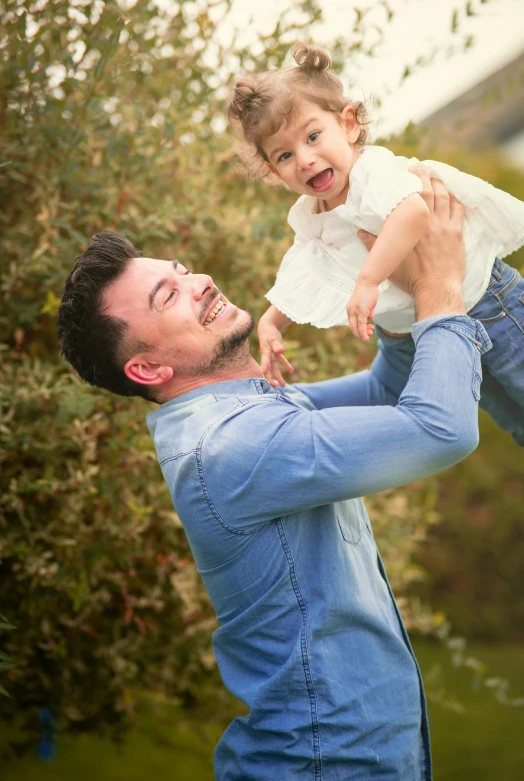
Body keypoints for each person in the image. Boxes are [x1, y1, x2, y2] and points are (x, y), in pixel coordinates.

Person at [57, 173, 489, 780]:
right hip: (327, 763)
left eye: (180, 269)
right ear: (148, 368)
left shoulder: (241, 416)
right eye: (168, 296)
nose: (198, 281)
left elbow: (385, 393)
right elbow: (440, 427)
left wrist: (391, 293)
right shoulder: (233, 446)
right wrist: (438, 286)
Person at [226, 42, 524, 447]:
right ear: (272, 172)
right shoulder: (311, 212)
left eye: (314, 136)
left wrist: (368, 280)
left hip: (488, 302)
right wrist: (271, 322)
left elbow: (412, 213)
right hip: (435, 324)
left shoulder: (371, 171)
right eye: (284, 155)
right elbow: (308, 265)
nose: (305, 159)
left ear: (348, 125)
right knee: (513, 418)